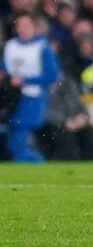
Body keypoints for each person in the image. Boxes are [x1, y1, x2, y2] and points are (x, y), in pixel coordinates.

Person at [3, 13, 61, 162]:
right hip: (12, 96)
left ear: (34, 27)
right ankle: (33, 164)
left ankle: (37, 163)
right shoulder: (11, 46)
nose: (23, 29)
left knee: (17, 139)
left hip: (33, 97)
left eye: (26, 25)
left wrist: (26, 80)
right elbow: (4, 68)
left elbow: (52, 75)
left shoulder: (42, 47)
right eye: (19, 26)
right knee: (14, 138)